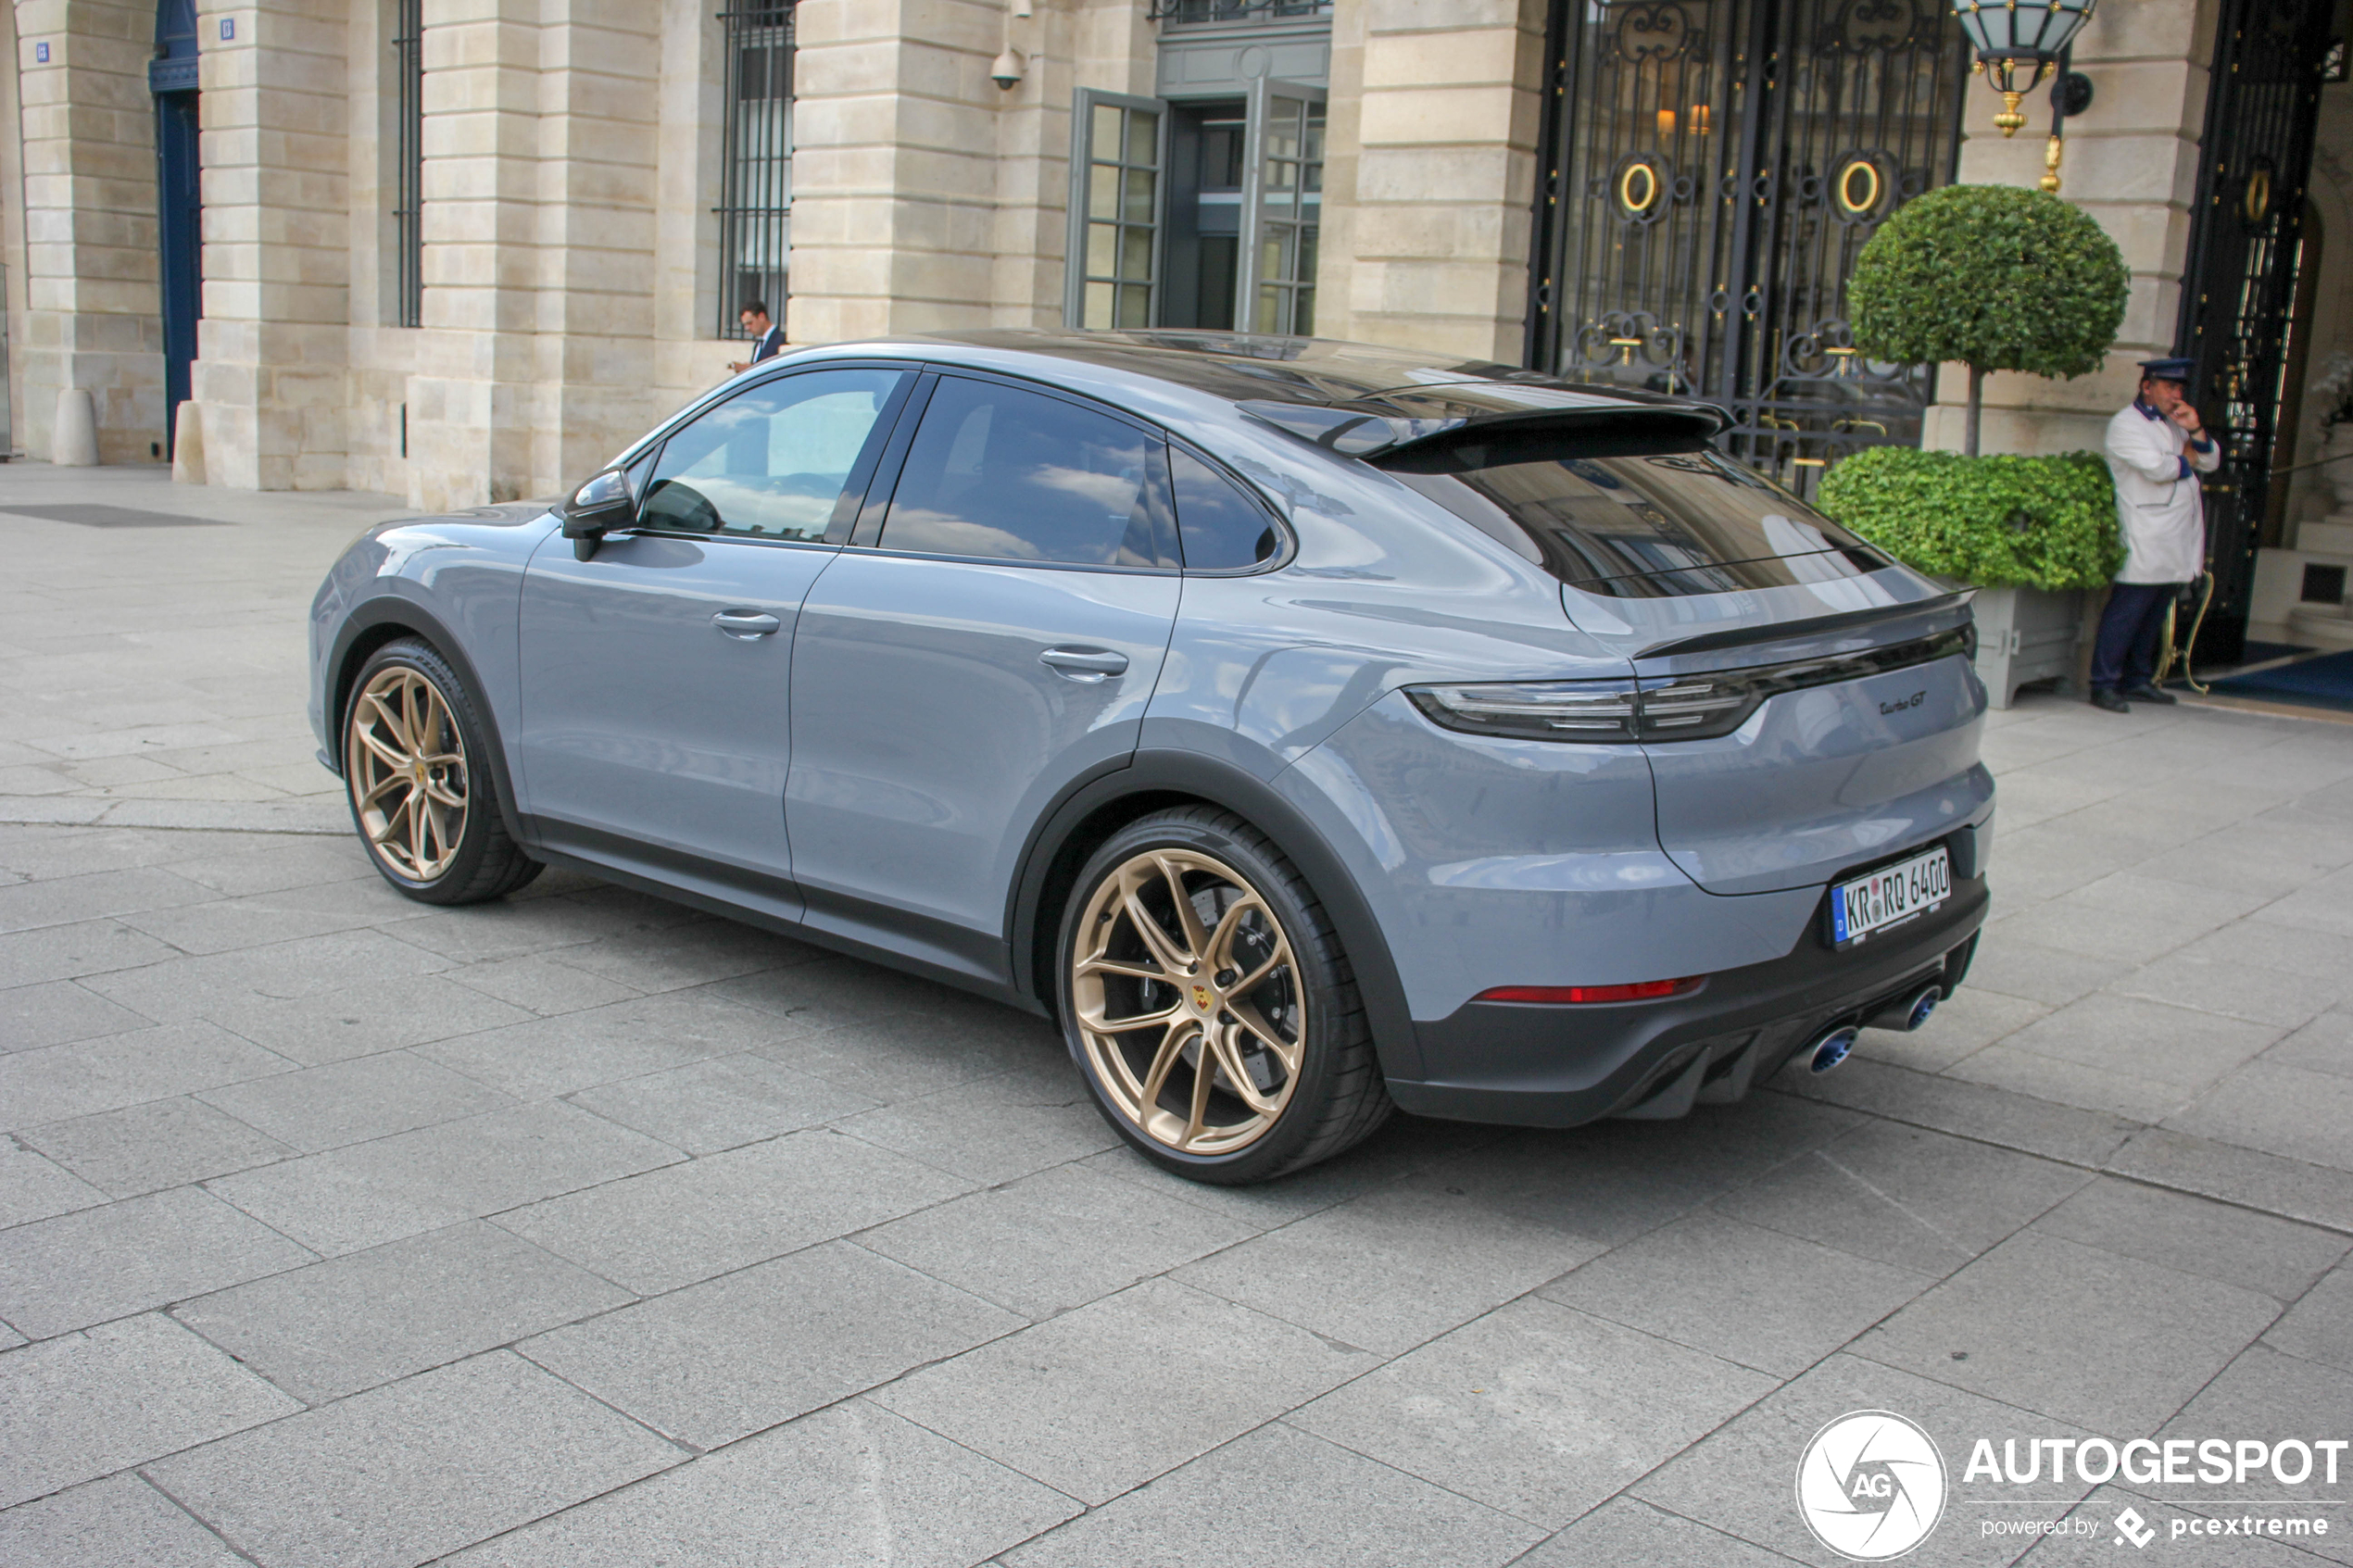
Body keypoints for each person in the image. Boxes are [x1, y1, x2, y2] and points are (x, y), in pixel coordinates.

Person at [2091, 357, 2221, 713]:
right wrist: (2187, 459)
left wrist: (2195, 432)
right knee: (2128, 610)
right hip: (2146, 532)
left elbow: (2211, 461)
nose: (2175, 394)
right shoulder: (2126, 425)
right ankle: (2103, 683)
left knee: (2155, 612)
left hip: (2176, 535)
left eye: (2178, 388)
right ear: (2147, 386)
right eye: (2168, 387)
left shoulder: (2175, 423)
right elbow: (2158, 468)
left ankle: (2137, 679)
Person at [725, 301, 785, 375]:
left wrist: (750, 369)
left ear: (761, 317)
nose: (747, 328)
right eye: (745, 325)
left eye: (750, 323)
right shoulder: (759, 343)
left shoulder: (780, 340)